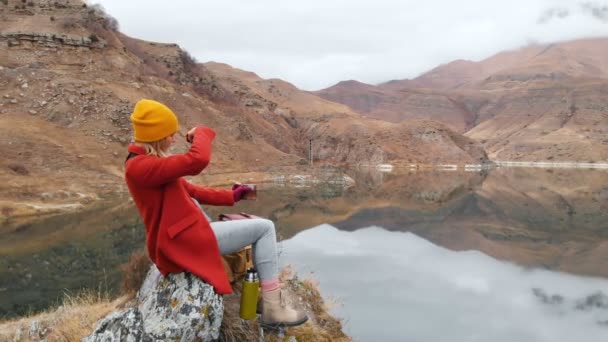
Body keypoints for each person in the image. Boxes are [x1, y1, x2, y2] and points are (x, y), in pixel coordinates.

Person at [124, 99, 307, 327]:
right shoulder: (140, 167)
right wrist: (201, 132)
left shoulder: (147, 165)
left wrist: (235, 195)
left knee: (246, 227)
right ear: (158, 136)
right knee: (265, 228)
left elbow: (193, 191)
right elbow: (198, 160)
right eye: (170, 133)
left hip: (184, 236)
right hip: (182, 242)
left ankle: (259, 296)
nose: (173, 138)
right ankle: (273, 307)